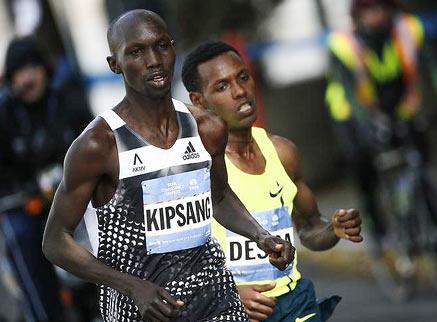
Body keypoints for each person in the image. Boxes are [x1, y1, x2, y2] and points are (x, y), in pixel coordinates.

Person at [42, 9, 295, 322]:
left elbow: (217, 197)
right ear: (115, 64)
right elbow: (55, 241)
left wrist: (261, 235)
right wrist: (133, 287)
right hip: (141, 311)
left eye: (162, 46)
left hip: (218, 303)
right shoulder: (99, 144)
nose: (153, 60)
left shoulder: (206, 127)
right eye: (136, 52)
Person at [181, 41, 363, 322]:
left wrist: (334, 229)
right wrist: (229, 292)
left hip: (296, 304)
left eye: (243, 77)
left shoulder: (282, 153)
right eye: (222, 86)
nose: (240, 91)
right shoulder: (193, 170)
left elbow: (309, 228)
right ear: (199, 100)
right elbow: (173, 265)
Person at [0, 37, 92, 321]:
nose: (27, 78)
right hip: (26, 205)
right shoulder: (4, 115)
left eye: (32, 68)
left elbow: (96, 144)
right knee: (19, 233)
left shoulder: (68, 101)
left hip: (77, 197)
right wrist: (27, 189)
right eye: (19, 72)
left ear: (44, 69)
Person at [324, 0, 429, 240]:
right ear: (358, 16)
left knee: (419, 155)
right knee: (363, 161)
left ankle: (433, 230)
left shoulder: (407, 29)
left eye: (380, 8)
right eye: (368, 10)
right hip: (350, 113)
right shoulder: (343, 44)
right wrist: (371, 124)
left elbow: (428, 70)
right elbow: (352, 93)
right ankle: (373, 219)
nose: (376, 15)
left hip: (391, 105)